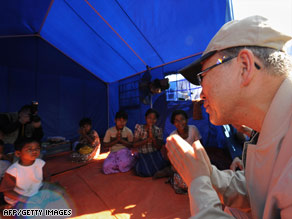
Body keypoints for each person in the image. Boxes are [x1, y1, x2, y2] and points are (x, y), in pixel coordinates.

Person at [166, 15, 292, 218]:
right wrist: (211, 176)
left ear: (244, 66)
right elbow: (259, 189)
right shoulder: (273, 128)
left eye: (203, 76)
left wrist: (199, 183)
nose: (201, 94)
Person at [0, 138, 66, 210]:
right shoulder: (13, 170)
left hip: (36, 191)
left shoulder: (41, 163)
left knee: (59, 190)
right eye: (29, 149)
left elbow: (47, 179)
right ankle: (11, 207)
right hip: (21, 197)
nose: (34, 151)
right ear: (18, 153)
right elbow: (7, 191)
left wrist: (43, 192)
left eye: (37, 149)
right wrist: (26, 199)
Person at [168, 110, 201, 194]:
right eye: (176, 121)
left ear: (186, 120)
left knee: (202, 179)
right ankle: (174, 179)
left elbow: (200, 148)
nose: (180, 123)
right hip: (181, 163)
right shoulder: (172, 136)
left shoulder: (193, 129)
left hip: (194, 160)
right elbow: (173, 157)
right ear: (173, 123)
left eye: (182, 119)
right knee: (186, 184)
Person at [133, 108, 168, 177]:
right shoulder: (140, 128)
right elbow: (134, 144)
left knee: (160, 166)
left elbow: (159, 147)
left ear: (156, 120)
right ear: (145, 118)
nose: (151, 120)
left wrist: (153, 138)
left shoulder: (158, 130)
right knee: (145, 172)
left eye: (154, 118)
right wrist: (148, 139)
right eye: (149, 118)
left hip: (154, 153)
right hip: (143, 153)